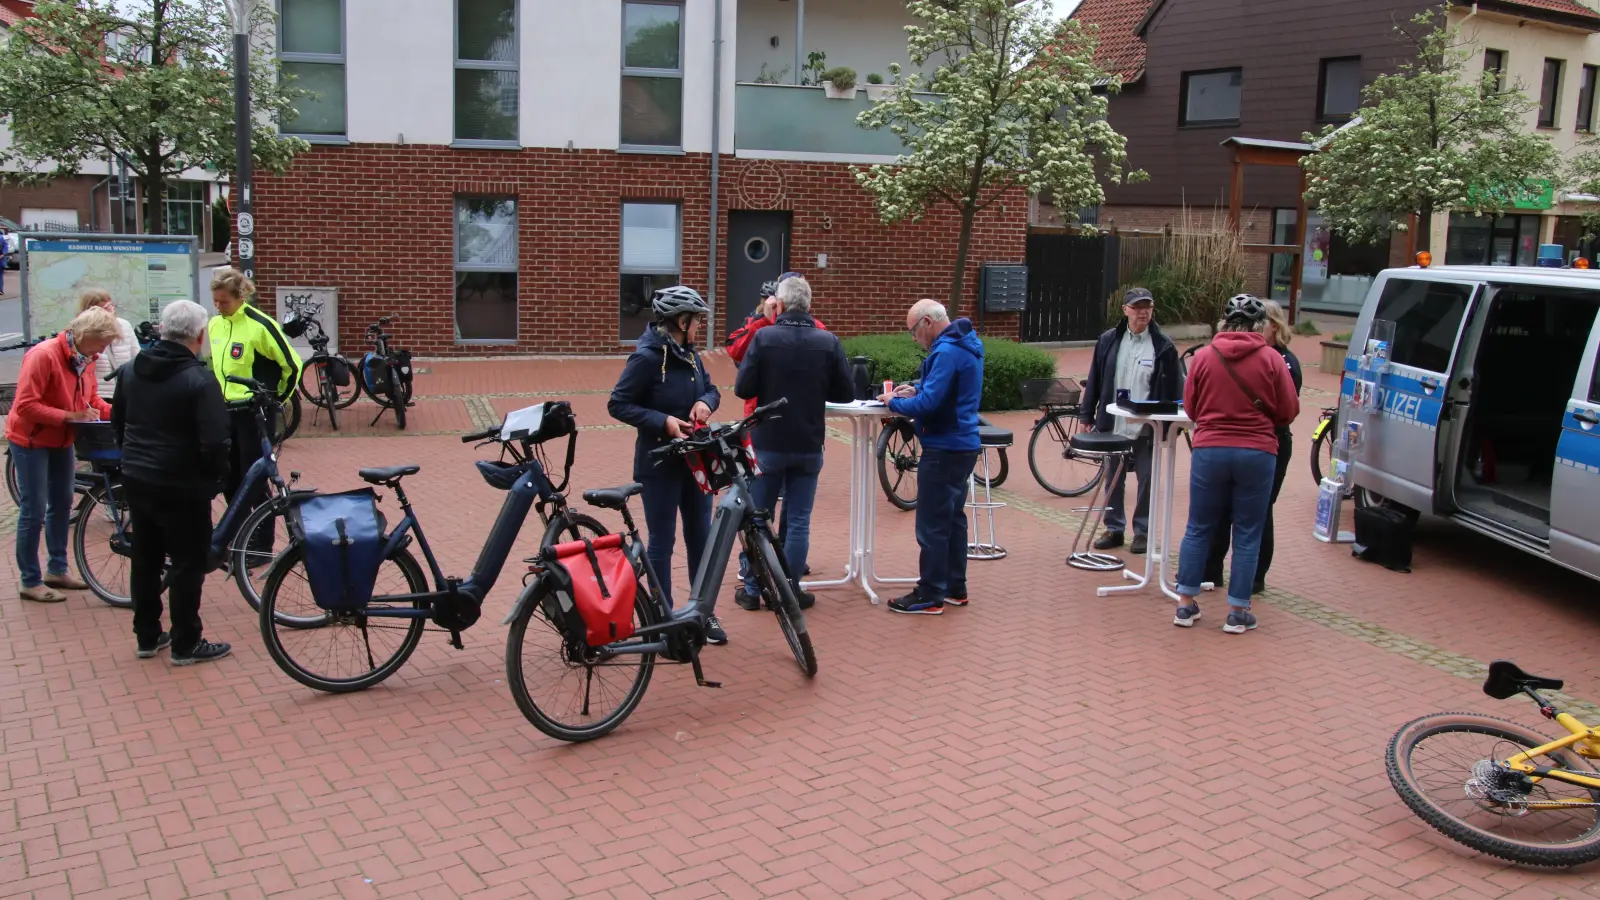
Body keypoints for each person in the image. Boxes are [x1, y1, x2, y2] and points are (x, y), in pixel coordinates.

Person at [112, 301, 233, 664]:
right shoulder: (199, 379)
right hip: (182, 485)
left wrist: (130, 460)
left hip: (138, 477)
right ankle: (186, 642)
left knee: (145, 558)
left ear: (163, 330)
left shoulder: (131, 370)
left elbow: (119, 423)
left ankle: (147, 636)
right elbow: (215, 441)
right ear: (199, 335)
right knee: (187, 564)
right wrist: (214, 478)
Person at [1171, 294, 1300, 634]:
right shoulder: (1272, 359)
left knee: (1198, 527)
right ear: (1260, 326)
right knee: (1247, 531)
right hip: (1257, 452)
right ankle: (1237, 611)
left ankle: (1185, 604)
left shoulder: (1202, 358)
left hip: (1210, 450)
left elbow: (1191, 406)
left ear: (1224, 323)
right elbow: (1288, 411)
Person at [608, 285, 727, 644]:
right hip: (659, 464)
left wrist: (706, 403)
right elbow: (618, 403)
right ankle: (664, 616)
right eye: (696, 321)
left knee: (700, 539)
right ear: (680, 320)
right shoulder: (646, 358)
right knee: (662, 541)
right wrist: (663, 421)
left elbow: (712, 389)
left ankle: (702, 614)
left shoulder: (690, 355)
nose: (699, 329)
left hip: (695, 460)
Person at [732, 275, 854, 611]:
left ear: (779, 304)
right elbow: (845, 393)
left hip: (768, 441)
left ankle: (754, 590)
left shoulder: (765, 337)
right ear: (809, 305)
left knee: (759, 518)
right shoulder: (827, 341)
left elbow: (743, 389)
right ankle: (790, 590)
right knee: (799, 520)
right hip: (808, 441)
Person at [878, 300, 984, 616]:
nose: (914, 338)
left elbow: (930, 405)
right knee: (952, 518)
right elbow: (943, 389)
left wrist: (892, 402)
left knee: (932, 523)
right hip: (963, 443)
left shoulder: (947, 351)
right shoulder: (965, 345)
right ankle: (954, 587)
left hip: (944, 445)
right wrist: (919, 387)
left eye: (914, 331)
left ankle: (929, 593)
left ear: (926, 322)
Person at [7, 307, 117, 602]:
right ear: (85, 336)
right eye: (101, 344)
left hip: (62, 440)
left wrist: (116, 411)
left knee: (62, 503)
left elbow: (90, 398)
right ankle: (29, 580)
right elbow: (25, 406)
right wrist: (70, 416)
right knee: (33, 509)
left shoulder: (87, 359)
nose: (103, 351)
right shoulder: (44, 355)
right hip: (31, 441)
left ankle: (57, 569)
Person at [1203, 299, 1303, 595]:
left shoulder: (1284, 360)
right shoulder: (1243, 355)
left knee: (1259, 511)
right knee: (1222, 509)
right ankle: (1214, 570)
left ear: (1274, 326)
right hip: (1250, 443)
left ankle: (1254, 576)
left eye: (1261, 323)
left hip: (1268, 442)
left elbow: (1287, 408)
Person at [1078, 287, 1182, 555]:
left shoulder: (1164, 346)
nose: (1143, 312)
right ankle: (1114, 528)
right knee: (1113, 477)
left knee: (1147, 479)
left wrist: (1171, 428)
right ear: (1125, 311)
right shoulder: (1109, 340)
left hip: (1148, 427)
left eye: (1147, 307)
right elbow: (1096, 379)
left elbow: (1175, 391)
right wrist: (1086, 415)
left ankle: (1142, 532)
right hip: (1113, 423)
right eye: (1137, 307)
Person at [208, 268, 301, 555]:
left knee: (257, 478)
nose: (219, 307)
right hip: (225, 412)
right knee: (228, 477)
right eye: (216, 302)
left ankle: (262, 543)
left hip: (253, 414)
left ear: (240, 297)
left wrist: (275, 401)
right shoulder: (214, 325)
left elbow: (292, 364)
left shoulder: (260, 325)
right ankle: (237, 534)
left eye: (224, 302)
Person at [78, 289, 140, 384]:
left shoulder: (124, 325)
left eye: (111, 305)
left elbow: (136, 355)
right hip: (100, 389)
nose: (111, 310)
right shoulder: (84, 330)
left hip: (125, 386)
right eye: (105, 308)